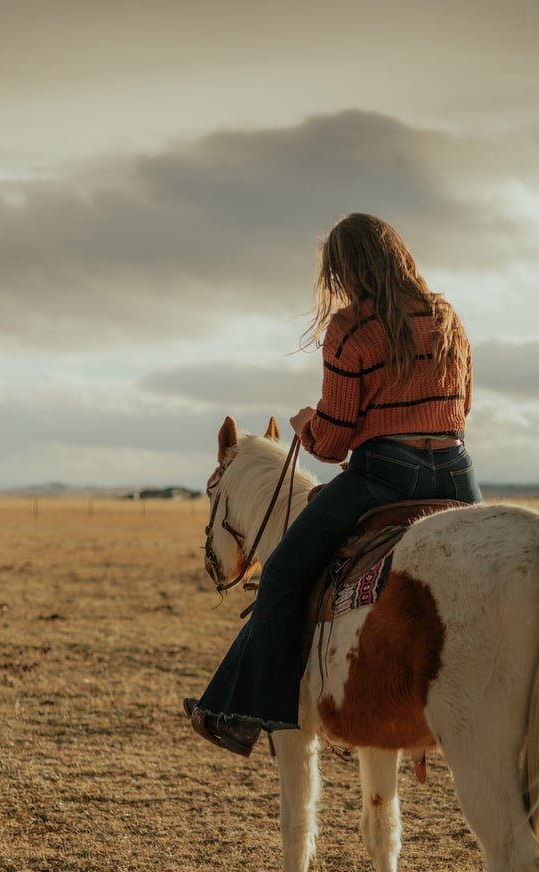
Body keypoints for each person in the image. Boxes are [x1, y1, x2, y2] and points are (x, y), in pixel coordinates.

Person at [185, 212, 482, 756]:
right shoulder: (448, 318)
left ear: (344, 270)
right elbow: (463, 407)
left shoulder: (350, 331)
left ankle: (246, 715)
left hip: (384, 476)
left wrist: (305, 425)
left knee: (281, 575)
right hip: (457, 475)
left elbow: (333, 444)